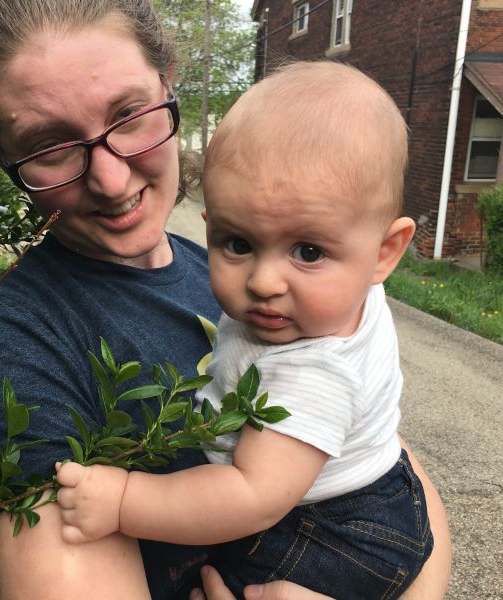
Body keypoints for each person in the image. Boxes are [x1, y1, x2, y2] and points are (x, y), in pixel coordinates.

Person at [0, 0, 452, 597]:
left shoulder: (237, 274)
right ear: (0, 158)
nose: (110, 179)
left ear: (168, 85)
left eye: (129, 116)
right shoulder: (10, 345)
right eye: (50, 147)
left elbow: (387, 461)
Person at [56, 61, 434, 599]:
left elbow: (251, 493)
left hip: (334, 534)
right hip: (366, 500)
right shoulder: (346, 289)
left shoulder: (311, 371)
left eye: (308, 252)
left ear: (385, 252)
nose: (263, 281)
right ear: (210, 227)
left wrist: (122, 501)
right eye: (238, 243)